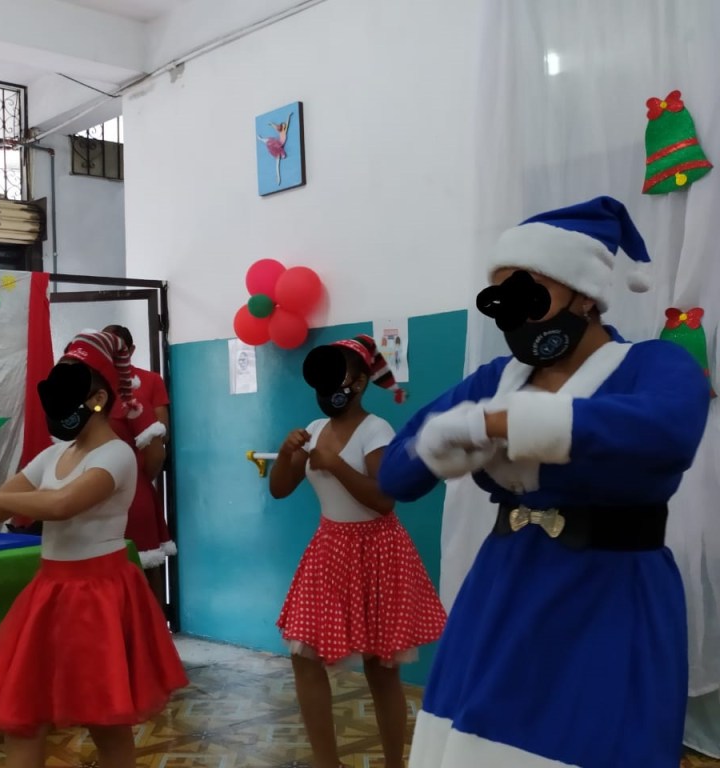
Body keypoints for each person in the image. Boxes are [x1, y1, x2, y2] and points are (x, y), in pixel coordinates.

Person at [379, 196, 710, 768]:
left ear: (584, 294)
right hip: (502, 594)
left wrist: (507, 423)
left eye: (529, 295)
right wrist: (434, 446)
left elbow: (667, 432)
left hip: (612, 599)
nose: (516, 316)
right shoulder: (496, 379)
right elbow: (396, 476)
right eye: (501, 301)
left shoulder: (654, 364)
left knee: (599, 741)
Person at [0, 330, 187, 768]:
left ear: (98, 397)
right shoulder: (53, 456)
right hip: (50, 592)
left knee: (105, 721)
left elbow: (61, 505)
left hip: (99, 595)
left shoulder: (117, 454)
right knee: (23, 715)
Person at [269, 335, 445, 768]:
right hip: (329, 551)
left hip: (377, 552)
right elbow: (280, 489)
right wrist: (287, 455)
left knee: (381, 670)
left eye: (339, 372)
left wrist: (335, 464)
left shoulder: (375, 430)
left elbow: (385, 500)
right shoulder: (315, 429)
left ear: (361, 382)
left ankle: (394, 763)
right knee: (304, 657)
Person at [102, 324, 174, 608]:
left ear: (130, 351)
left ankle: (153, 625)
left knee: (145, 563)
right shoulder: (92, 391)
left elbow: (159, 438)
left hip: (133, 488)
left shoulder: (146, 384)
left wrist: (140, 478)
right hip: (97, 494)